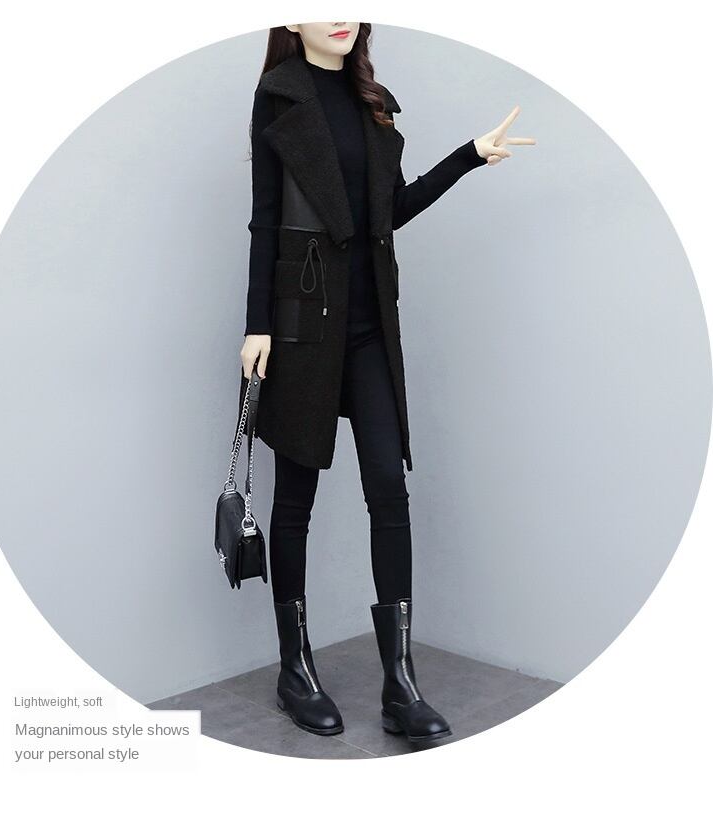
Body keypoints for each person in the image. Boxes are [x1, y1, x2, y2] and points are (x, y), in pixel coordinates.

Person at [240, 22, 535, 743]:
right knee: (295, 501)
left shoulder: (373, 99)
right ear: (292, 21)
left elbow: (390, 212)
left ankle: (400, 685)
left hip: (370, 323)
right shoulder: (279, 95)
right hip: (303, 322)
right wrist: (257, 325)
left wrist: (468, 157)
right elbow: (266, 220)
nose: (341, 17)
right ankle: (295, 669)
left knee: (388, 494)